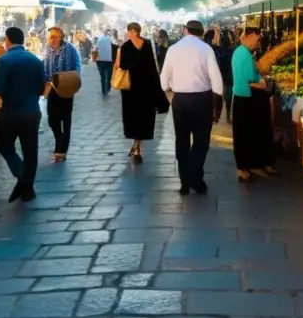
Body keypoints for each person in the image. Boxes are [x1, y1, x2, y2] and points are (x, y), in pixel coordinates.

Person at [160, 19, 224, 195]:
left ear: (185, 30)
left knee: (181, 140)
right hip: (202, 100)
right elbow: (216, 79)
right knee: (201, 141)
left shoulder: (173, 50)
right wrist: (218, 104)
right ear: (201, 33)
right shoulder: (206, 49)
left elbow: (164, 80)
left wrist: (168, 88)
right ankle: (194, 176)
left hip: (180, 100)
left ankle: (185, 181)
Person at [0, 27, 47, 203]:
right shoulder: (36, 60)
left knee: (5, 145)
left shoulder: (4, 61)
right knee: (31, 151)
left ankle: (22, 176)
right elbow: (41, 89)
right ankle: (28, 189)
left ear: (7, 40)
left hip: (10, 113)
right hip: (32, 112)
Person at [117, 22, 168, 162]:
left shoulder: (125, 46)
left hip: (131, 89)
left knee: (133, 117)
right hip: (146, 88)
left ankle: (136, 145)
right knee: (144, 117)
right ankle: (139, 146)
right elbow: (152, 66)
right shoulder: (146, 44)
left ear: (130, 31)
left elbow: (122, 65)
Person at [231, 27, 276, 182]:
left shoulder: (242, 52)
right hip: (245, 99)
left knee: (247, 134)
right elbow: (250, 81)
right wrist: (262, 82)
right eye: (257, 39)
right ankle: (244, 168)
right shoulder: (242, 53)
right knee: (244, 135)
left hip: (244, 98)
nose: (257, 43)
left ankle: (250, 165)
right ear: (249, 36)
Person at [43, 26, 81, 163]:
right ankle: (60, 142)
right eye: (50, 37)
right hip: (52, 87)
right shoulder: (47, 48)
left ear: (61, 37)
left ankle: (61, 150)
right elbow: (45, 65)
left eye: (55, 36)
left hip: (66, 87)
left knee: (65, 119)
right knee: (52, 119)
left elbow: (77, 66)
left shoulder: (69, 49)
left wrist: (73, 82)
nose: (52, 39)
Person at [93, 29, 115, 96]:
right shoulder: (110, 39)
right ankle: (107, 88)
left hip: (100, 61)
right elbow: (114, 47)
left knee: (102, 77)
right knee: (109, 77)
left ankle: (104, 91)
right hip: (109, 61)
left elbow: (95, 49)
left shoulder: (99, 40)